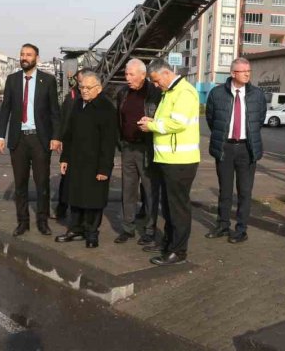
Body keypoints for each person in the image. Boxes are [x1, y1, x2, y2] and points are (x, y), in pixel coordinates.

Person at [138, 60, 200, 266]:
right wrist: (151, 122)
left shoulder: (184, 92)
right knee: (169, 206)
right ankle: (168, 244)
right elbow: (167, 119)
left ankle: (178, 251)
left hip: (180, 161)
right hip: (168, 159)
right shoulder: (169, 92)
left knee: (177, 208)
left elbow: (178, 123)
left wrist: (152, 126)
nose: (155, 85)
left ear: (166, 73)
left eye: (156, 81)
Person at [0, 43, 62, 237]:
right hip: (18, 140)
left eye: (29, 55)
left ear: (36, 58)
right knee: (20, 184)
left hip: (40, 140)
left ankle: (42, 222)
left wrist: (56, 137)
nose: (24, 57)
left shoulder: (47, 81)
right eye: (22, 54)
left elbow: (54, 113)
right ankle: (22, 222)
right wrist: (0, 136)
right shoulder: (12, 80)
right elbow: (5, 109)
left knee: (42, 183)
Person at [204, 57, 266, 244]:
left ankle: (241, 229)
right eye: (243, 71)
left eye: (249, 70)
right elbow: (211, 119)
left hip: (247, 149)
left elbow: (259, 119)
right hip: (225, 147)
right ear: (232, 73)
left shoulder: (257, 94)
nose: (247, 74)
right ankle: (222, 225)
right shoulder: (216, 94)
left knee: (244, 192)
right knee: (225, 190)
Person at [55, 71, 118, 248]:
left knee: (93, 200)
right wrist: (64, 158)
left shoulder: (106, 108)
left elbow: (108, 142)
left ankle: (91, 233)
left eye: (88, 88)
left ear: (98, 88)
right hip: (75, 160)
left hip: (95, 163)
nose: (84, 90)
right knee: (74, 196)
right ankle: (75, 229)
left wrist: (104, 169)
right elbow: (69, 133)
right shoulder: (77, 104)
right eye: (81, 87)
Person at [114, 59, 162, 245]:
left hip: (147, 148)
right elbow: (118, 118)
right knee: (128, 189)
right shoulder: (123, 93)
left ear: (143, 75)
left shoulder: (155, 93)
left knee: (150, 190)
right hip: (127, 147)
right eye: (126, 74)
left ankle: (150, 230)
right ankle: (128, 228)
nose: (127, 78)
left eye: (131, 74)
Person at [54, 69, 84, 220]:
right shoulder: (71, 97)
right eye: (80, 81)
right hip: (70, 144)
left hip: (84, 146)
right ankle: (62, 208)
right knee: (66, 180)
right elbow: (63, 119)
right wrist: (60, 139)